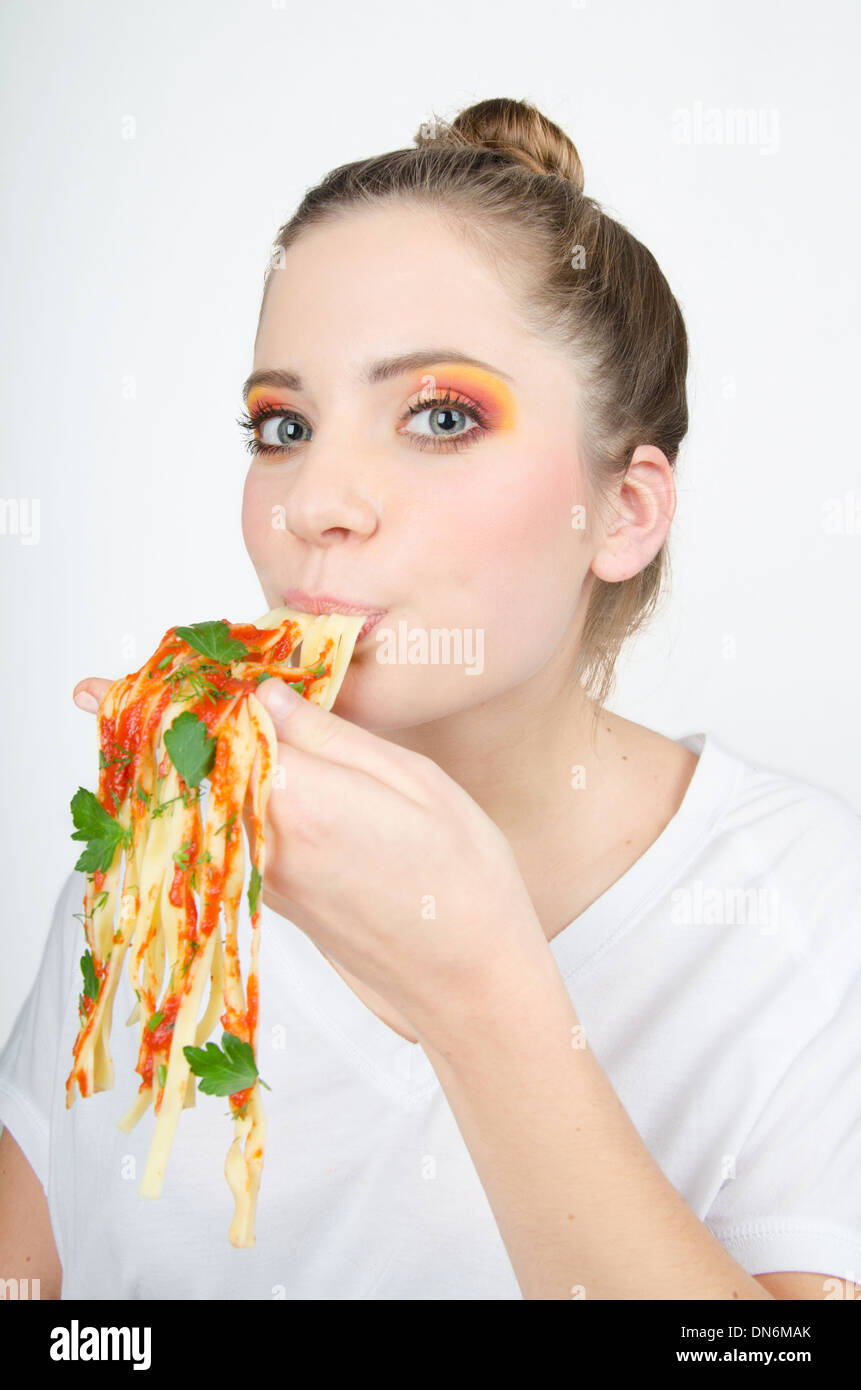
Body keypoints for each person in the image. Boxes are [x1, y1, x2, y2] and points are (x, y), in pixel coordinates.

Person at [2, 97, 860, 1301]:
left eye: (440, 416)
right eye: (282, 425)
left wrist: (478, 987)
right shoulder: (154, 877)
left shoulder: (812, 912)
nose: (314, 499)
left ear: (622, 513)